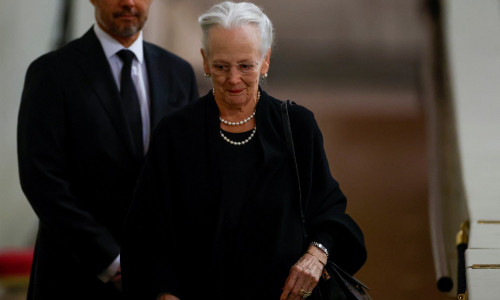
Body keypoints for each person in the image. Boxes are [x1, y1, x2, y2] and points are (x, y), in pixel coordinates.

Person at [121, 2, 366, 299]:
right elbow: (146, 231)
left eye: (245, 65)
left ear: (265, 62)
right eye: (222, 66)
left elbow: (328, 210)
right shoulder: (175, 134)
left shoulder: (298, 126)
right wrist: (164, 293)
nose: (233, 79)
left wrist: (316, 255)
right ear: (206, 61)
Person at [17, 0, 198, 299]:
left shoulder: (178, 73)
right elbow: (42, 180)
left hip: (155, 281)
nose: (128, 2)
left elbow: (188, 179)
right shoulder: (51, 73)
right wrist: (110, 262)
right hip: (72, 277)